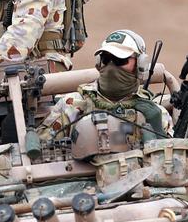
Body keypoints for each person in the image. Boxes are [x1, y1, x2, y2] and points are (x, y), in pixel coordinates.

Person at [37, 30, 173, 150]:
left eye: (120, 60)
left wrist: (157, 129)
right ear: (98, 62)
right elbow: (42, 150)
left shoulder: (156, 113)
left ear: (140, 64)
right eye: (106, 59)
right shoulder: (72, 104)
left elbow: (170, 168)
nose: (111, 66)